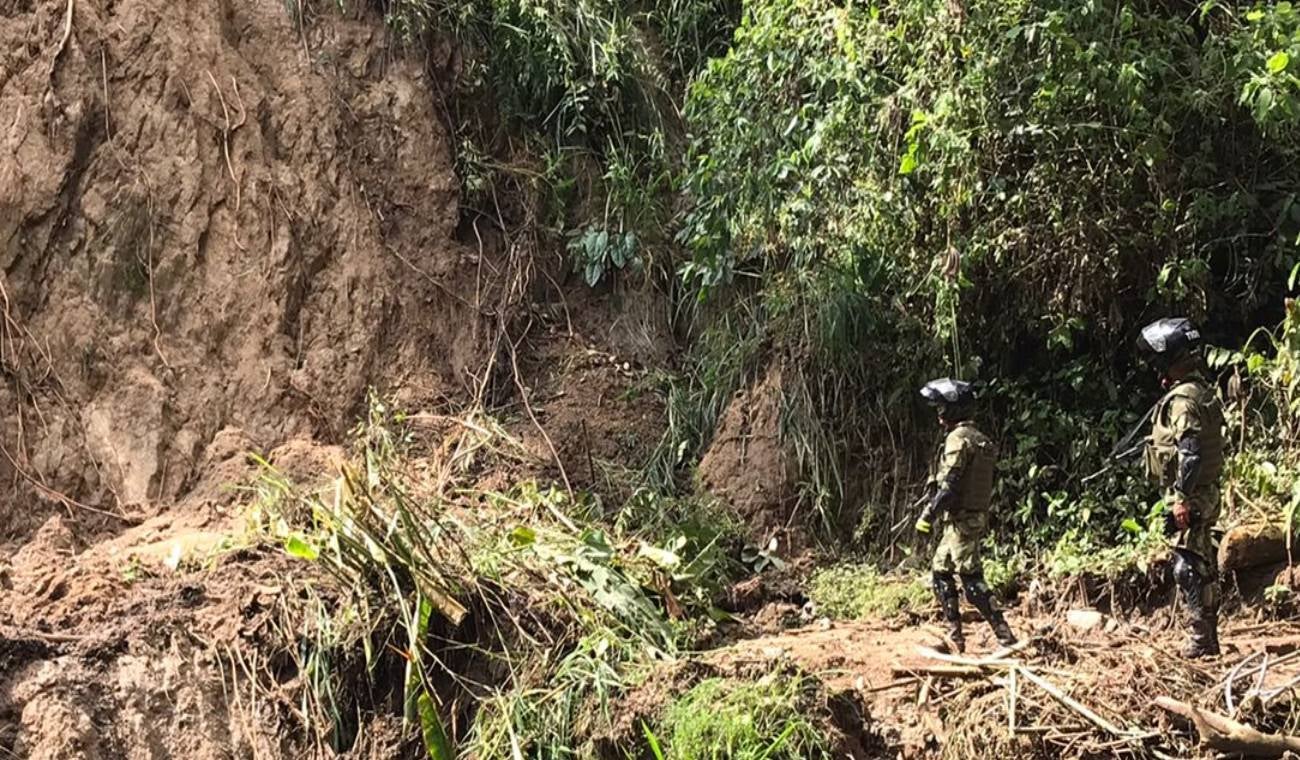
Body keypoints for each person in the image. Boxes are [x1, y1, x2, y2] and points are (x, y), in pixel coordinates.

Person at [1137, 317, 1225, 658]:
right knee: (1200, 563)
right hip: (1206, 489)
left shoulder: (1183, 401)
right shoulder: (1201, 391)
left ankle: (1201, 640)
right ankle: (1207, 640)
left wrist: (1181, 500)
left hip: (1195, 492)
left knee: (1187, 567)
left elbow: (1189, 453)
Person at [914, 378, 1017, 653]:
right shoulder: (980, 439)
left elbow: (951, 485)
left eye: (941, 409)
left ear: (952, 410)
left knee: (971, 579)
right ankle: (955, 637)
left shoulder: (958, 439)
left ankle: (1005, 636)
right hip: (964, 519)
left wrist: (927, 515)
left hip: (962, 522)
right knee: (940, 571)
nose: (938, 416)